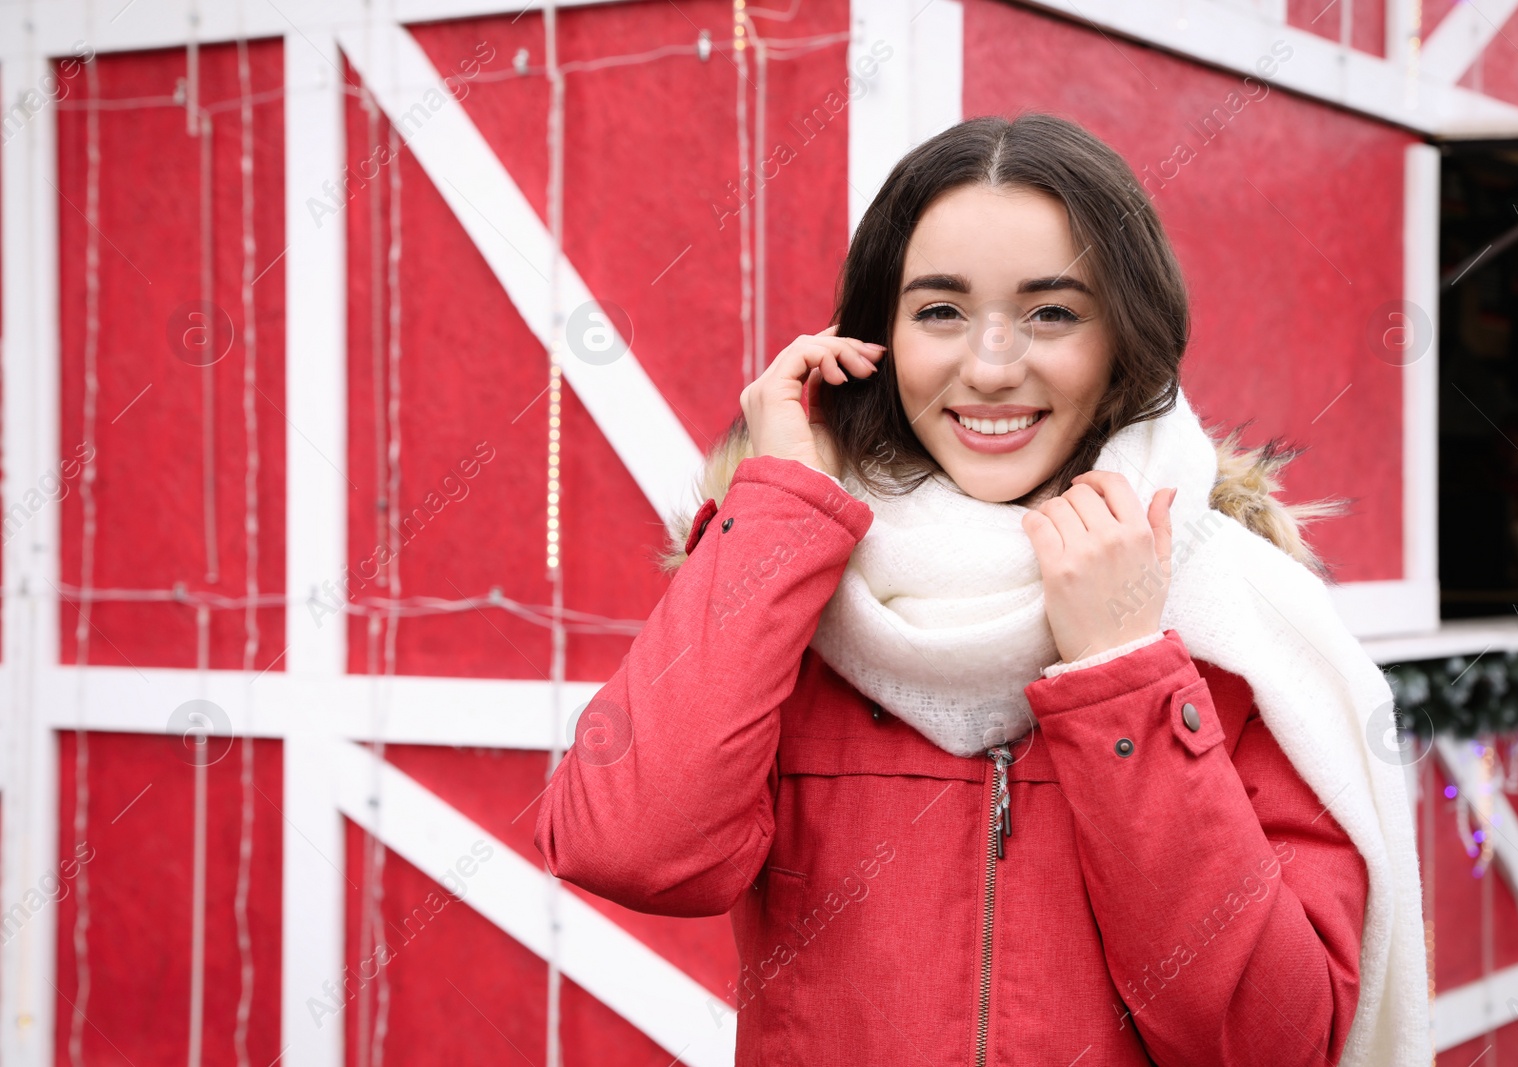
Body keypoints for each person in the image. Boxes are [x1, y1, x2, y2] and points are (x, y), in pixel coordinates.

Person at [534, 113, 1428, 1066]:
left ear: (1127, 338)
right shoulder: (793, 589)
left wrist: (1124, 667)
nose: (993, 367)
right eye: (940, 310)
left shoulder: (1240, 622)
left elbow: (1271, 1043)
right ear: (873, 338)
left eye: (1052, 311)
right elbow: (631, 846)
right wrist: (783, 505)